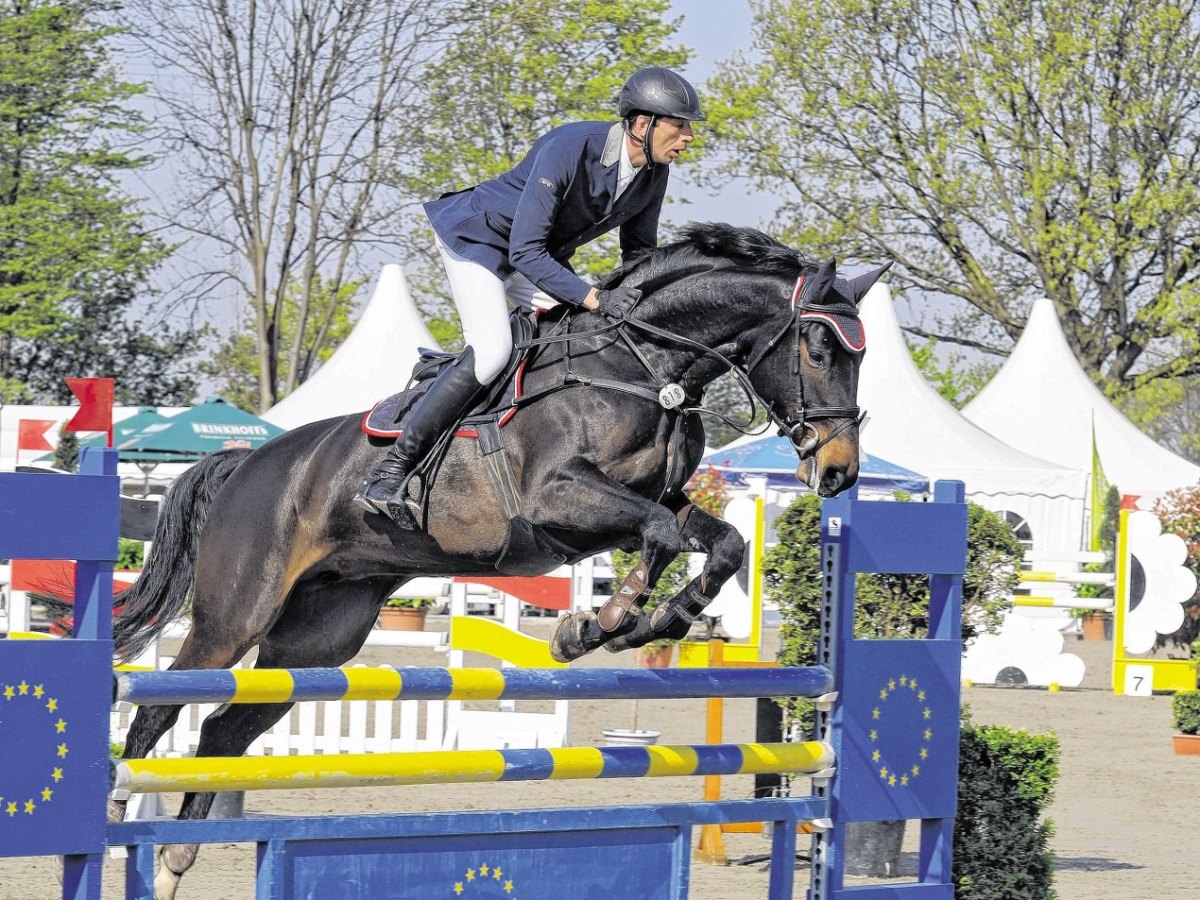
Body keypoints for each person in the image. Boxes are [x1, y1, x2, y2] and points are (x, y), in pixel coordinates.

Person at [355, 66, 706, 525]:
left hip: (537, 256)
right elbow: (523, 249)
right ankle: (392, 471)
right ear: (644, 124)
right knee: (493, 350)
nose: (688, 137)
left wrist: (653, 302)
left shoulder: (652, 174)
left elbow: (639, 252)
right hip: (480, 241)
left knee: (577, 336)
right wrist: (595, 297)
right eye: (680, 126)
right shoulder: (569, 147)